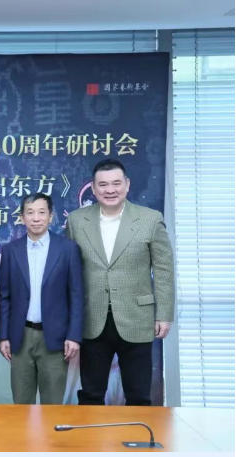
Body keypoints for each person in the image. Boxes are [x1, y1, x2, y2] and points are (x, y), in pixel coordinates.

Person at [66, 158, 175, 406]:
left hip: (137, 318)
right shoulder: (76, 221)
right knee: (91, 395)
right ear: (93, 189)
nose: (110, 190)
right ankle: (89, 433)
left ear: (127, 184)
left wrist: (164, 314)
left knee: (138, 396)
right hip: (92, 319)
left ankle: (137, 433)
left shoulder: (150, 219)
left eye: (116, 183)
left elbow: (164, 270)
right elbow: (69, 272)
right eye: (103, 185)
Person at [0, 193, 84, 404]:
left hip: (55, 338)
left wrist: (73, 336)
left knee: (52, 404)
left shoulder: (68, 249)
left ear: (51, 216)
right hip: (21, 336)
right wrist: (4, 336)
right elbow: (4, 297)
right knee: (21, 403)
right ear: (22, 217)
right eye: (30, 212)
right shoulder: (10, 250)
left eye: (41, 212)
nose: (36, 218)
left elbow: (76, 296)